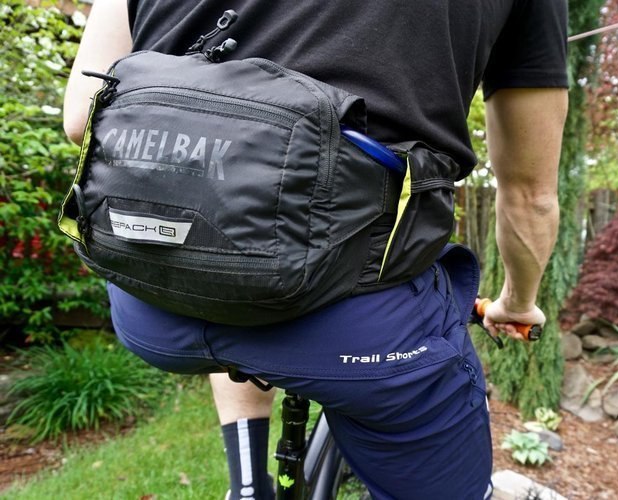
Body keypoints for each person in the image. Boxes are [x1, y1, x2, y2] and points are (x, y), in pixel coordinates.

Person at [63, 1, 568, 498]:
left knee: (232, 253)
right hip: (360, 321)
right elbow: (529, 195)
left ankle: (246, 486)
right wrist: (517, 302)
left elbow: (81, 119)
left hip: (150, 307)